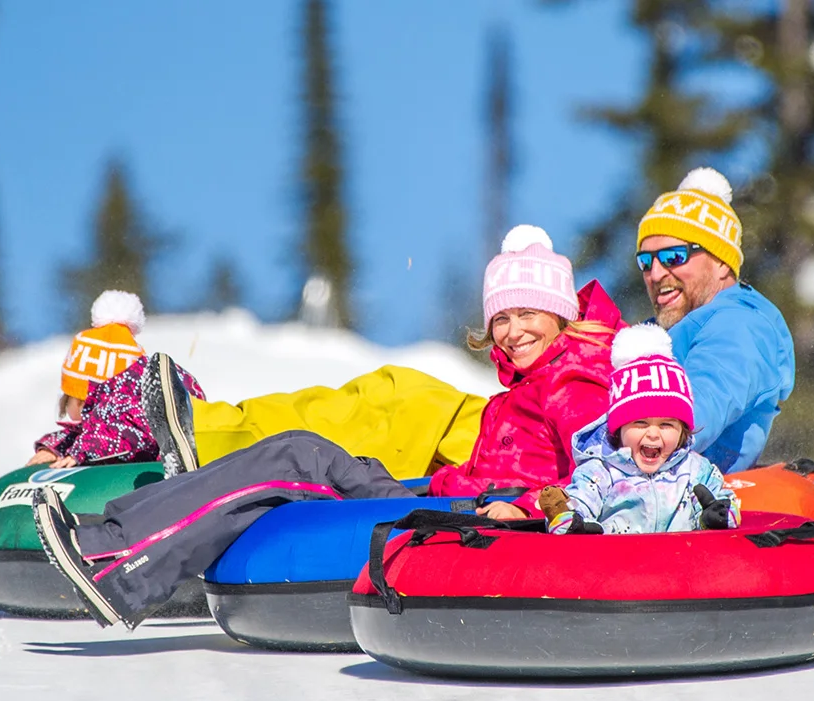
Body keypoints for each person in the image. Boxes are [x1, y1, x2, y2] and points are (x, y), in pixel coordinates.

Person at [31, 225, 622, 629]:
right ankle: (120, 543)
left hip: (474, 523)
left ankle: (115, 560)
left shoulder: (575, 381)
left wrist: (527, 507)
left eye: (528, 314)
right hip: (442, 496)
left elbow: (601, 473)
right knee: (300, 454)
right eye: (501, 317)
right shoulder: (529, 385)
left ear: (564, 315)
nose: (512, 332)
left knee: (296, 459)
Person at [631, 167, 797, 473]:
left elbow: (703, 402)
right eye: (645, 261)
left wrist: (617, 445)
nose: (655, 274)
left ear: (721, 262)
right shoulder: (655, 333)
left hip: (687, 506)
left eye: (673, 257)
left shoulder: (738, 324)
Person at [537, 324, 738, 534]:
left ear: (683, 431)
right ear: (618, 429)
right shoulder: (602, 472)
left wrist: (717, 516)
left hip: (683, 560)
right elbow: (579, 503)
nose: (653, 433)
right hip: (618, 562)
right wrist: (571, 522)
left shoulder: (695, 471)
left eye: (667, 424)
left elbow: (726, 504)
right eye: (640, 423)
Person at [26, 291, 205, 473]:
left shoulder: (129, 414)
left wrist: (81, 451)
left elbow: (124, 434)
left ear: (85, 399)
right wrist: (54, 448)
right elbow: (82, 434)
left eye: (69, 399)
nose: (69, 414)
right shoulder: (99, 426)